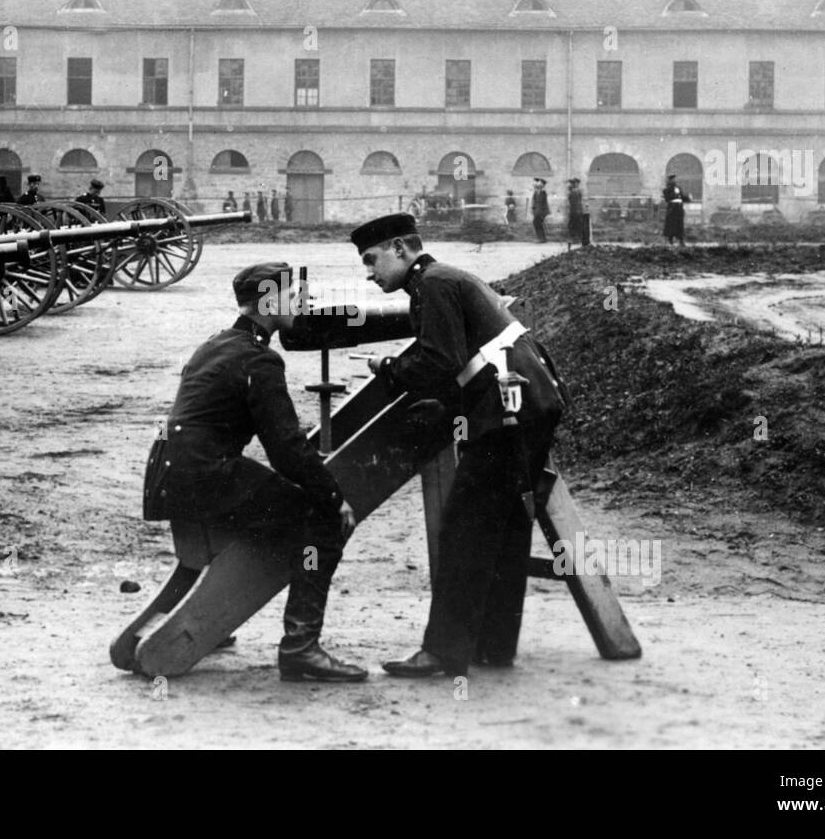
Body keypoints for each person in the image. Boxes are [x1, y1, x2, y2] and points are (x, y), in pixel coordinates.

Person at [350, 213, 567, 677]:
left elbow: (438, 361)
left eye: (372, 260)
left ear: (400, 249)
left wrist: (386, 367)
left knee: (464, 530)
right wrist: (448, 409)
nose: (370, 273)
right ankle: (493, 646)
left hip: (506, 413)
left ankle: (443, 652)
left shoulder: (431, 285)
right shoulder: (446, 278)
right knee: (506, 529)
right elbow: (464, 363)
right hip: (531, 402)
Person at [143, 261, 366, 682]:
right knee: (321, 523)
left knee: (281, 506)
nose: (303, 301)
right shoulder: (260, 360)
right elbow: (285, 450)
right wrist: (334, 497)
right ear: (268, 301)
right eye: (293, 295)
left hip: (169, 474)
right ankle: (301, 648)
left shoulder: (217, 343)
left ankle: (211, 618)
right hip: (205, 475)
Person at [662, 173, 688, 246]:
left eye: (674, 179)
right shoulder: (667, 189)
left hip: (679, 208)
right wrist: (674, 193)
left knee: (680, 225)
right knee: (671, 225)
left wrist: (688, 198)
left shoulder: (678, 188)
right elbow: (668, 198)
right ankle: (670, 240)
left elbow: (682, 197)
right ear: (669, 181)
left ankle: (681, 240)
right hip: (672, 208)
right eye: (672, 180)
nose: (674, 181)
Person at [565, 178, 587, 249]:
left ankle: (574, 240)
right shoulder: (577, 191)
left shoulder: (574, 192)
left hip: (575, 212)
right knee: (578, 226)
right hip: (577, 211)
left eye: (571, 184)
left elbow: (573, 203)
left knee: (573, 226)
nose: (569, 185)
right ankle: (577, 240)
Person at [530, 178, 550, 243]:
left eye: (540, 183)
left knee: (537, 223)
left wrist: (539, 212)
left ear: (542, 185)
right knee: (537, 223)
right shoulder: (536, 192)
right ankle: (541, 238)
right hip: (537, 211)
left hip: (541, 212)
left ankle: (541, 238)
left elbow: (541, 203)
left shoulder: (543, 192)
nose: (538, 184)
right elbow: (534, 202)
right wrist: (533, 210)